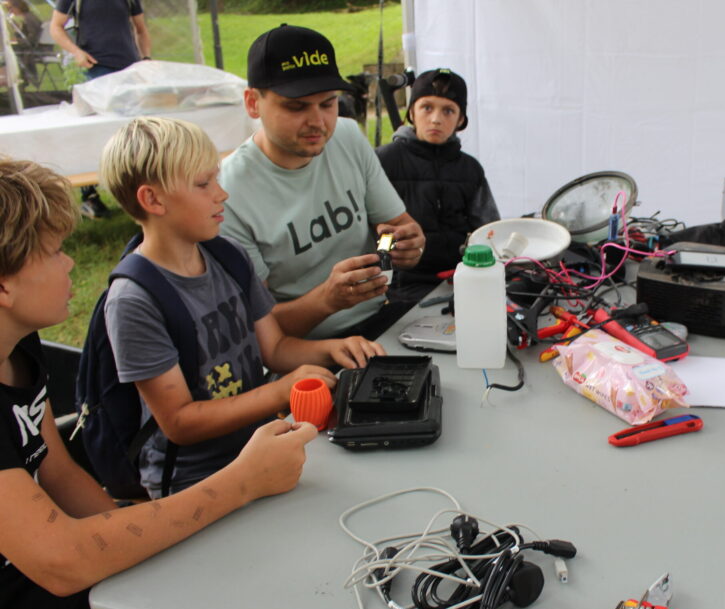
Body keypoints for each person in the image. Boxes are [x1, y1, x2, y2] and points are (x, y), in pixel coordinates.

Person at [0, 155, 316, 609]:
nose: (71, 264)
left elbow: (57, 472)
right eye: (54, 252)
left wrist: (147, 565)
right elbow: (62, 561)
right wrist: (242, 482)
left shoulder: (18, 346)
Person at [99, 116, 384, 498]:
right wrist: (280, 391)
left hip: (261, 449)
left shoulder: (227, 256)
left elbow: (275, 348)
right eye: (203, 184)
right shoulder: (135, 300)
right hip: (195, 481)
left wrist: (333, 348)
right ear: (152, 199)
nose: (222, 194)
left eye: (216, 179)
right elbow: (180, 422)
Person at [219, 24, 427, 341]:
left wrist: (411, 246)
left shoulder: (346, 136)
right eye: (296, 106)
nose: (318, 122)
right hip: (307, 351)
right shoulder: (227, 192)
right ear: (252, 102)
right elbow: (259, 332)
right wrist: (327, 301)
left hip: (383, 320)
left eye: (328, 103)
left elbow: (398, 226)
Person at [375, 68, 500, 304]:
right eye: (427, 107)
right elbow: (376, 232)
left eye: (448, 110)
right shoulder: (382, 161)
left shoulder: (471, 169)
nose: (435, 119)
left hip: (461, 281)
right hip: (399, 288)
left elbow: (489, 231)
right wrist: (385, 279)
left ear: (461, 120)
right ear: (411, 112)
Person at [49, 0, 152, 219]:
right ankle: (90, 196)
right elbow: (56, 27)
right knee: (95, 134)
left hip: (129, 70)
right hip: (96, 70)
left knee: (133, 133)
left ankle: (135, 189)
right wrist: (76, 52)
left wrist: (145, 59)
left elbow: (141, 29)